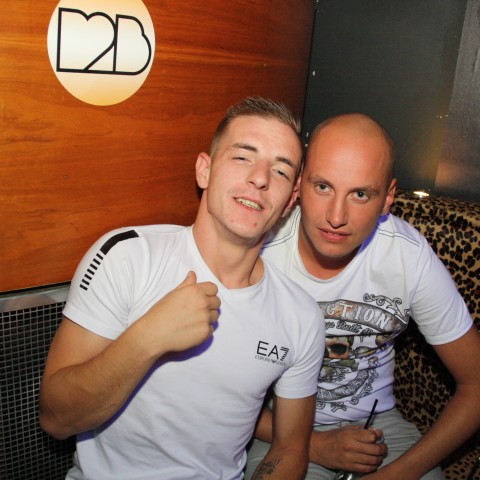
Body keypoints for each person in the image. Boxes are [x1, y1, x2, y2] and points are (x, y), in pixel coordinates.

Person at [39, 96, 325, 480]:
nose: (260, 178)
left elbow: (290, 448)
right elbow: (56, 419)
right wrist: (148, 337)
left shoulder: (300, 316)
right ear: (205, 170)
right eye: (243, 157)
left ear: (290, 201)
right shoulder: (128, 256)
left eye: (281, 170)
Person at [245, 113, 480, 479]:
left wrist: (394, 476)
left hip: (378, 427)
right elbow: (213, 383)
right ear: (299, 183)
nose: (336, 216)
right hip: (275, 425)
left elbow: (476, 384)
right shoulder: (259, 247)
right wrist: (315, 445)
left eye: (360, 194)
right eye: (323, 186)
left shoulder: (407, 256)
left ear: (387, 198)